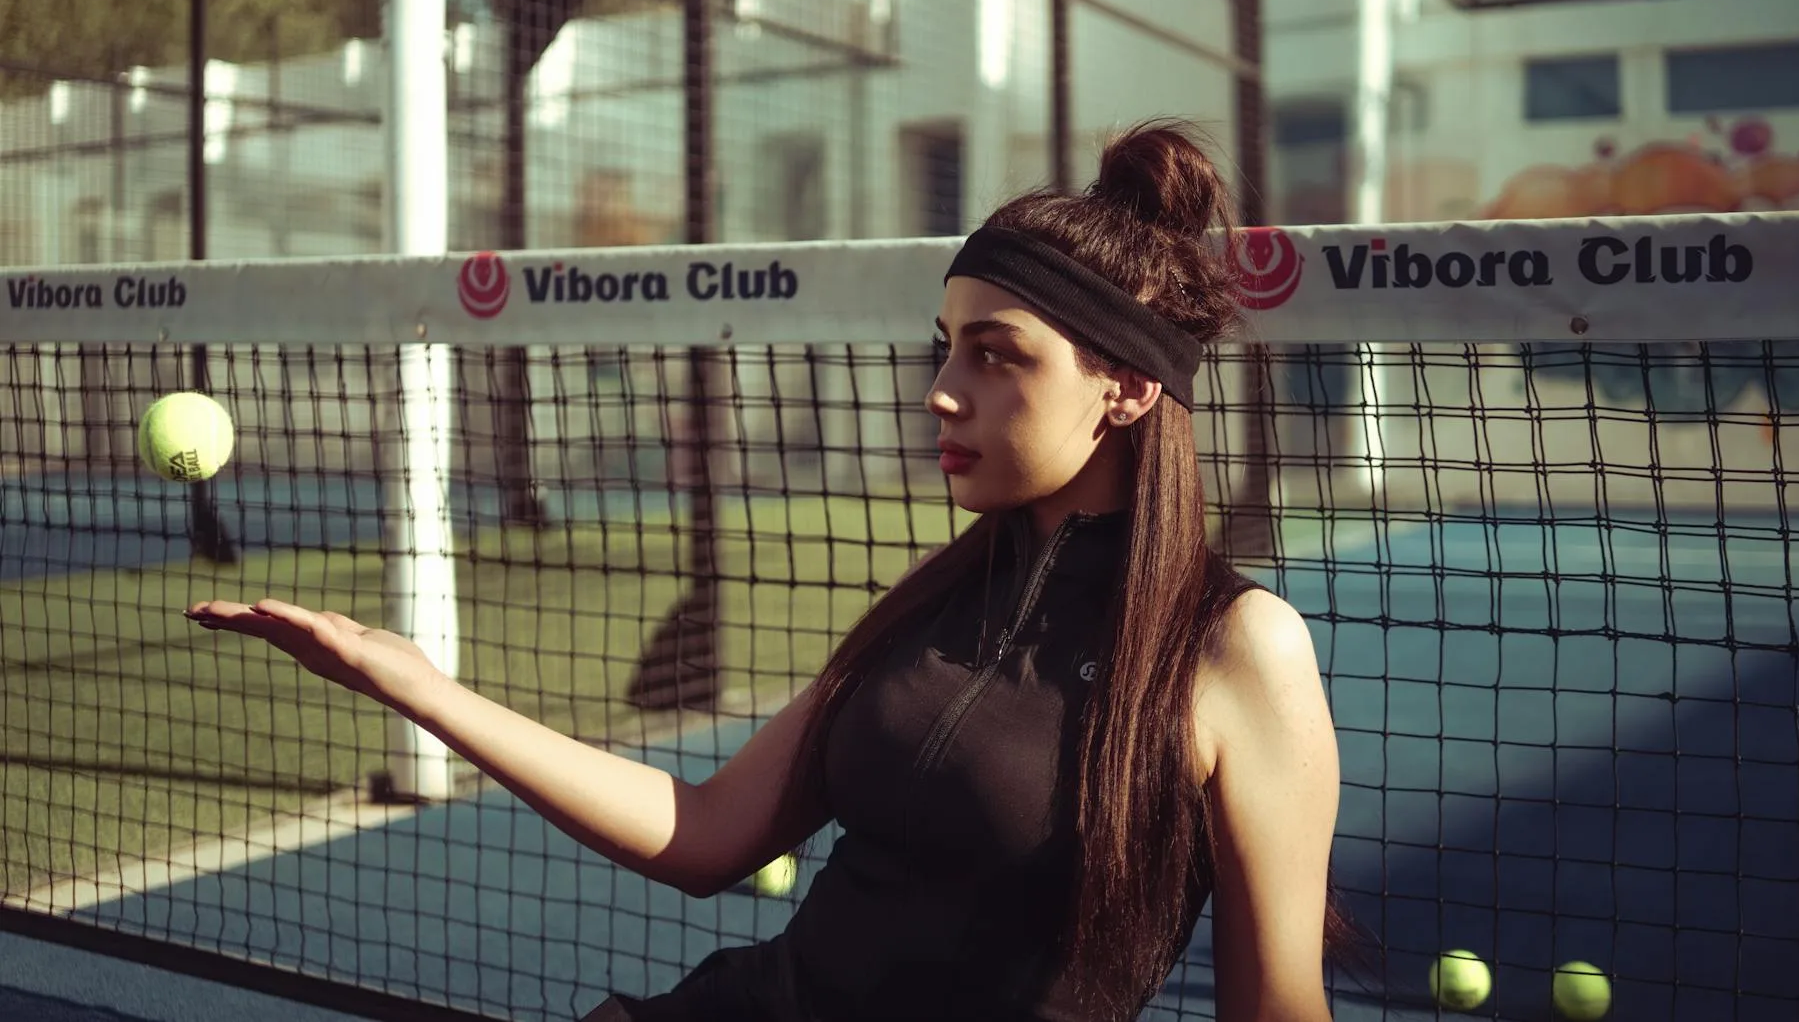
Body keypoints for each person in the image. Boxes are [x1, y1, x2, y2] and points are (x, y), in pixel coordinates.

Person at [187, 121, 1344, 1022]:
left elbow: (1276, 1005)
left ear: (1130, 388)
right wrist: (421, 685)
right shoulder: (934, 600)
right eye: (944, 344)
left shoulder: (1236, 647)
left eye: (997, 356)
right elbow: (705, 831)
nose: (942, 388)